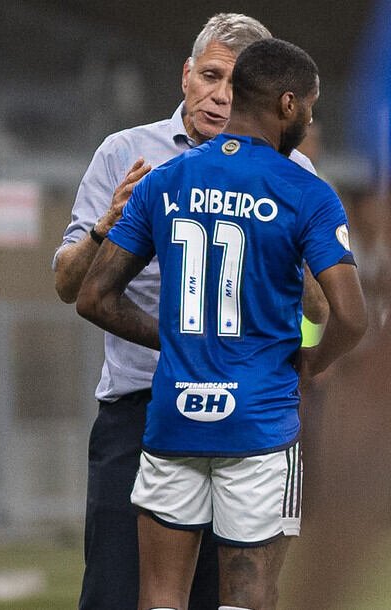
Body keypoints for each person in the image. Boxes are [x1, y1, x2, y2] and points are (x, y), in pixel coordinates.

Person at [76, 38, 367, 610]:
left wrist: (180, 339)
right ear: (288, 104)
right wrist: (314, 360)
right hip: (260, 424)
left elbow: (93, 298)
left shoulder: (166, 180)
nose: (309, 120)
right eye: (309, 107)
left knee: (160, 596)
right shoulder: (305, 191)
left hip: (173, 418)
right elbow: (352, 316)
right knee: (249, 596)